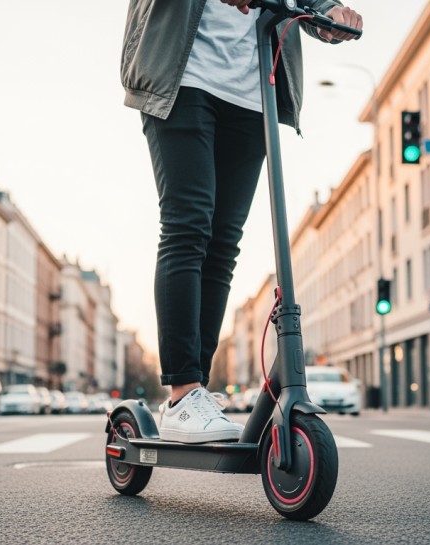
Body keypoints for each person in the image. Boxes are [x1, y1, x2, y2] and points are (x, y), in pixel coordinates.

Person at [122, 0, 363, 443]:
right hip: (183, 77)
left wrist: (328, 10)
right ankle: (183, 390)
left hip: (254, 90)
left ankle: (196, 395)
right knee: (188, 225)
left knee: (223, 243)